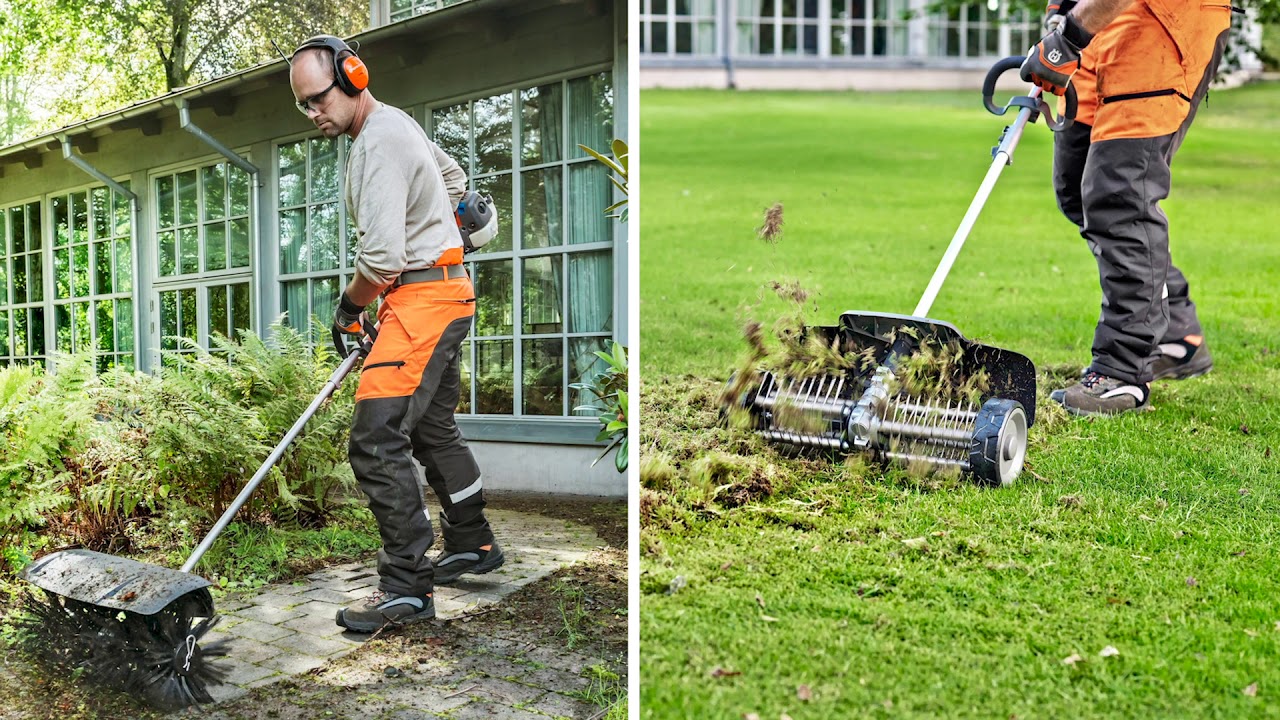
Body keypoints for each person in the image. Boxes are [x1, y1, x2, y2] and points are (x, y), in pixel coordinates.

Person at [287, 35, 504, 633]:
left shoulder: (378, 142)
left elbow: (380, 259)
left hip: (425, 302)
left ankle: (407, 586)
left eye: (318, 99)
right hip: (443, 293)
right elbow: (454, 176)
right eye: (303, 105)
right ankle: (474, 541)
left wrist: (347, 310)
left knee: (377, 437)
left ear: (353, 77)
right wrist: (446, 234)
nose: (313, 114)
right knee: (432, 426)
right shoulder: (395, 123)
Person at [1019, 0, 1230, 416]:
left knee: (1120, 200)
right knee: (1077, 191)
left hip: (1163, 23)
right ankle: (1178, 334)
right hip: (1097, 24)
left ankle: (1122, 373)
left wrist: (1072, 33)